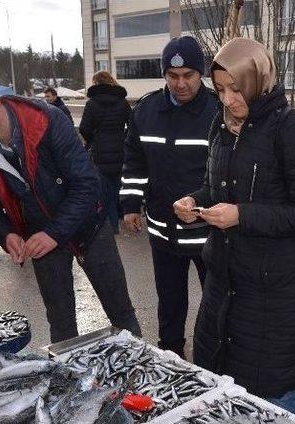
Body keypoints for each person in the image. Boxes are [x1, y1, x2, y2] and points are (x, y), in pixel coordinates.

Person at [173, 38, 295, 416]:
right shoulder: (222, 126)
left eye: (236, 89)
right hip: (222, 280)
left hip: (270, 292)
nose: (227, 100)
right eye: (220, 90)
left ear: (258, 80)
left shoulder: (294, 130)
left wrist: (243, 215)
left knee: (274, 394)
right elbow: (216, 187)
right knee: (220, 387)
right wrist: (194, 200)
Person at [0, 74, 141, 343]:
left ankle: (140, 374)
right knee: (60, 321)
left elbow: (86, 184)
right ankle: (68, 380)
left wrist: (54, 233)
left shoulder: (46, 121)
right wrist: (6, 235)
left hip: (89, 227)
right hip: (39, 234)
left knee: (120, 311)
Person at [120, 35, 218, 358]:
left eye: (188, 75)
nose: (180, 84)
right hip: (163, 232)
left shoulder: (218, 113)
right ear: (164, 75)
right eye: (173, 76)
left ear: (200, 74)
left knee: (217, 304)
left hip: (208, 235)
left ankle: (217, 363)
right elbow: (134, 161)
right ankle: (172, 357)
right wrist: (131, 204)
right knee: (170, 302)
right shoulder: (146, 110)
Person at [79, 71, 131, 233]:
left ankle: (111, 224)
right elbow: (132, 125)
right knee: (118, 187)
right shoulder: (122, 102)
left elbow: (84, 128)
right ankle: (123, 216)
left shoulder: (92, 103)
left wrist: (94, 138)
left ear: (97, 83)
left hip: (100, 151)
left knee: (104, 190)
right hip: (120, 150)